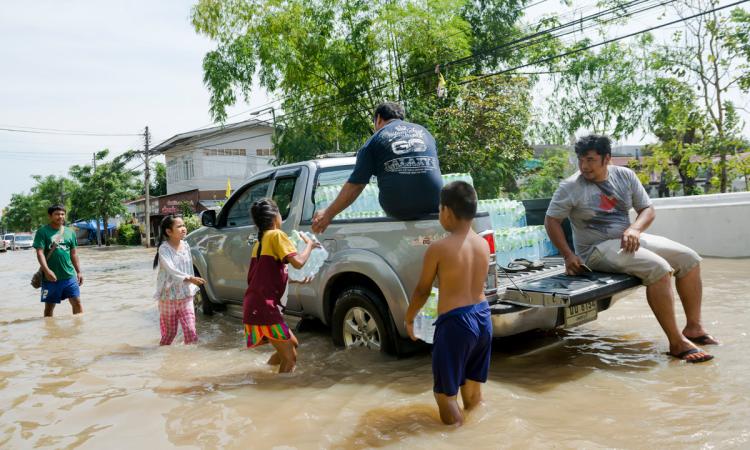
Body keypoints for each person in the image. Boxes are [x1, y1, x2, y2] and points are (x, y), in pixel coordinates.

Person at [544, 134, 718, 364]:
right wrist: (568, 255)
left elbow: (647, 208)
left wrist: (635, 229)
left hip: (629, 239)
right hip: (596, 249)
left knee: (689, 259)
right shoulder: (570, 187)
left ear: (607, 159)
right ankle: (676, 342)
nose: (584, 166)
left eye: (590, 160)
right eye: (581, 160)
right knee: (659, 269)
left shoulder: (625, 176)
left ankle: (694, 328)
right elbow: (551, 220)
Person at [405, 181, 492, 426]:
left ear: (447, 211)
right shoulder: (483, 244)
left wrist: (410, 317)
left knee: (445, 395)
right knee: (474, 394)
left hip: (456, 323)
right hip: (483, 317)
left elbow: (422, 290)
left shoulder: (439, 248)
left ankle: (457, 439)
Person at [312, 101, 443, 233]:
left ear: (378, 118)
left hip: (400, 214)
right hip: (437, 209)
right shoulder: (425, 133)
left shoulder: (374, 140)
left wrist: (328, 214)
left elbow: (356, 185)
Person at [244, 199, 320, 373]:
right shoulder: (277, 235)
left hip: (255, 305)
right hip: (265, 307)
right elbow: (299, 262)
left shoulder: (260, 241)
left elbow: (263, 277)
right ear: (274, 217)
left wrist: (295, 281)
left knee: (293, 344)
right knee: (291, 358)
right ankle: (278, 392)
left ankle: (264, 373)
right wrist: (309, 245)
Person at [153, 215, 205, 346]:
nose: (184, 229)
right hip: (168, 296)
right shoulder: (163, 249)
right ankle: (165, 360)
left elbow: (188, 267)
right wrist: (189, 278)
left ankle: (191, 363)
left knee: (191, 332)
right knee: (169, 335)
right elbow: (171, 269)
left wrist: (191, 284)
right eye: (179, 226)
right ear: (169, 231)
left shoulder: (186, 245)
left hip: (185, 294)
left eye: (184, 225)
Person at [33, 205, 84, 317]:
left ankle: (78, 331)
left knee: (77, 303)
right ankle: (50, 332)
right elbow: (39, 253)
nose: (60, 216)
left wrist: (79, 272)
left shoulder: (70, 232)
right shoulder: (42, 232)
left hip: (69, 276)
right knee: (49, 307)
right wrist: (46, 271)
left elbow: (74, 254)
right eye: (57, 214)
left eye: (62, 214)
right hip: (50, 278)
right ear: (50, 216)